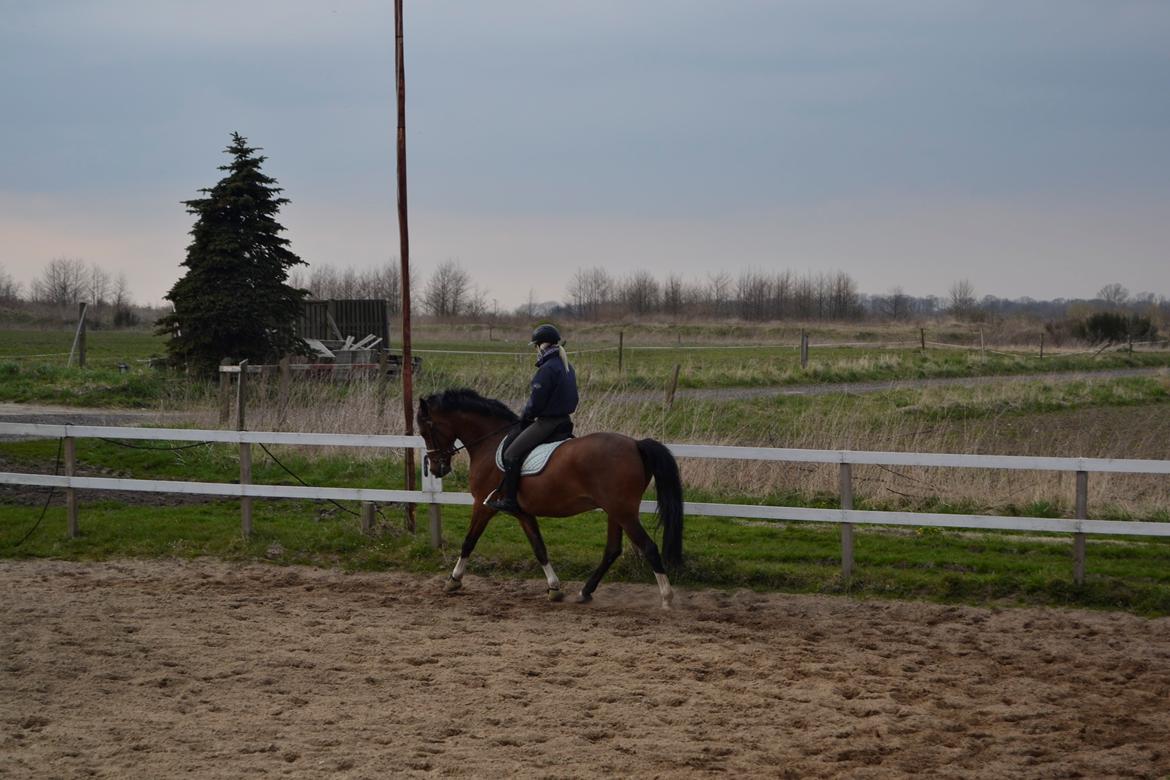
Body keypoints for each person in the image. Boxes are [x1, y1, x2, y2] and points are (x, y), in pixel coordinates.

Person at [485, 323, 578, 515]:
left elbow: (536, 402)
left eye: (535, 346)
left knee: (511, 454)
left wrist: (525, 417)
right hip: (564, 420)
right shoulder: (566, 365)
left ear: (540, 345)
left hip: (548, 422)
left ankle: (510, 500)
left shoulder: (547, 369)